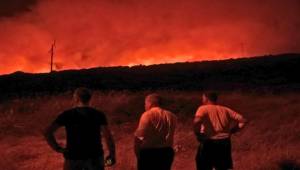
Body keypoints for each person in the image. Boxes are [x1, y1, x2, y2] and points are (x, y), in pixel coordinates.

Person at [44, 87, 116, 170]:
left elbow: (48, 132)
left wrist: (57, 148)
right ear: (89, 98)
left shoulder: (67, 115)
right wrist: (112, 154)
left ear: (76, 99)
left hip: (73, 158)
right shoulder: (99, 115)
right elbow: (108, 137)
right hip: (95, 157)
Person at [193, 92, 247, 170]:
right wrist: (233, 130)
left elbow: (197, 121)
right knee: (223, 167)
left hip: (210, 142)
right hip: (225, 142)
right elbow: (243, 120)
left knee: (204, 165)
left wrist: (198, 133)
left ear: (206, 99)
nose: (202, 100)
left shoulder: (203, 108)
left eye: (203, 98)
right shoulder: (225, 109)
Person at [134, 93, 177, 170]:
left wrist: (138, 154)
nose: (145, 106)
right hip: (166, 152)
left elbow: (139, 137)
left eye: (145, 103)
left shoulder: (147, 115)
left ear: (150, 103)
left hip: (150, 153)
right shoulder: (172, 116)